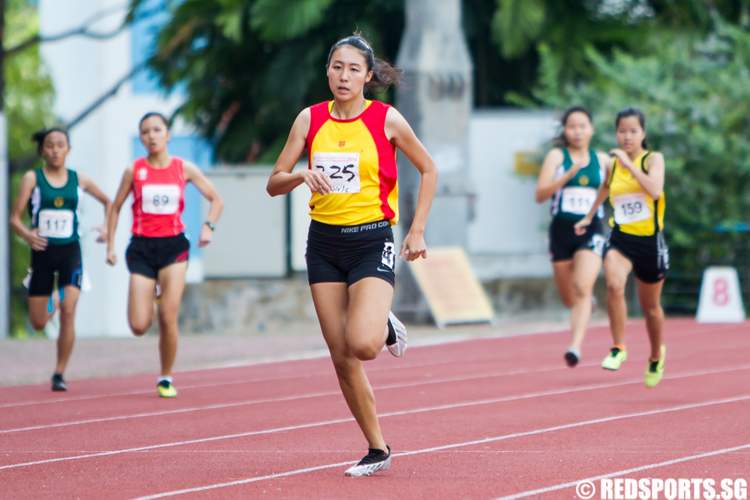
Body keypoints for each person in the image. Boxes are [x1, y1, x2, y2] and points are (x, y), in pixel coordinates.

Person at [266, 34, 437, 476]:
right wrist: (301, 175)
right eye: (337, 67)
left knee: (363, 345)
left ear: (368, 76)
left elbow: (429, 167)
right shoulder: (310, 119)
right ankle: (377, 448)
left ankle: (382, 322)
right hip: (323, 243)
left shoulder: (386, 119)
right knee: (340, 354)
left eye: (353, 69)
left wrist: (416, 229)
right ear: (327, 71)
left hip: (371, 238)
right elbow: (274, 180)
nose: (344, 76)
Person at [106, 112, 223, 398]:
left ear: (168, 134)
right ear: (141, 138)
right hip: (143, 249)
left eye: (157, 130)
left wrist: (208, 227)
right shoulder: (133, 171)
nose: (151, 136)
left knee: (169, 317)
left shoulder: (184, 168)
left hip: (173, 248)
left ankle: (166, 377)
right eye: (145, 132)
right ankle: (151, 297)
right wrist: (109, 244)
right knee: (138, 325)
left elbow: (216, 199)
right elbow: (115, 206)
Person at [10, 127, 111, 391]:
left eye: (60, 145)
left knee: (68, 312)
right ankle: (54, 298)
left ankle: (59, 373)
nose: (55, 150)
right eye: (50, 145)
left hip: (70, 253)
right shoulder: (32, 178)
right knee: (39, 322)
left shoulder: (79, 180)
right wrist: (27, 235)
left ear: (68, 149)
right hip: (42, 253)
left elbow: (108, 202)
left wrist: (106, 228)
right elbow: (14, 219)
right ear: (42, 150)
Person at [575, 107, 668, 388]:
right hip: (621, 238)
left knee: (650, 307)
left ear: (643, 133)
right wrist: (589, 216)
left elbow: (654, 190)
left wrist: (629, 165)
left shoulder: (653, 159)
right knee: (614, 285)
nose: (627, 137)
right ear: (616, 133)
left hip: (650, 242)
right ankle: (618, 347)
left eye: (633, 131)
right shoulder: (612, 165)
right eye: (622, 131)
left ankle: (655, 355)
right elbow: (605, 188)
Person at [535, 107, 608, 367]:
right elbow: (540, 195)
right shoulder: (557, 157)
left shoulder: (602, 160)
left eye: (583, 126)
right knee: (570, 297)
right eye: (572, 126)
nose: (578, 131)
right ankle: (586, 304)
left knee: (582, 287)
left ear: (592, 129)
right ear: (565, 130)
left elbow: (616, 190)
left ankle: (575, 346)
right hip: (561, 232)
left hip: (591, 229)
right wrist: (566, 176)